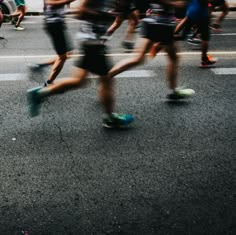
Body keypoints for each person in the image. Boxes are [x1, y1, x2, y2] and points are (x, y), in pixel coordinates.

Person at [27, 0, 134, 129]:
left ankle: (41, 93)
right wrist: (104, 15)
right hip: (92, 41)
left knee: (81, 81)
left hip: (92, 41)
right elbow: (79, 11)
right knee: (105, 79)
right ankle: (109, 117)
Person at [108, 0, 195, 100]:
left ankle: (107, 76)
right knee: (169, 58)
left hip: (155, 20)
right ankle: (107, 76)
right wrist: (173, 4)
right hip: (161, 22)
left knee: (142, 58)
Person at [28, 0, 75, 87]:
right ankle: (49, 82)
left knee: (67, 54)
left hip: (55, 23)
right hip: (55, 24)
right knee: (63, 56)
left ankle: (40, 66)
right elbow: (52, 3)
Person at [174, 0, 217, 68]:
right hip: (201, 13)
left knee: (182, 36)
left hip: (191, 11)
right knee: (205, 37)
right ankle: (204, 60)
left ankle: (165, 38)